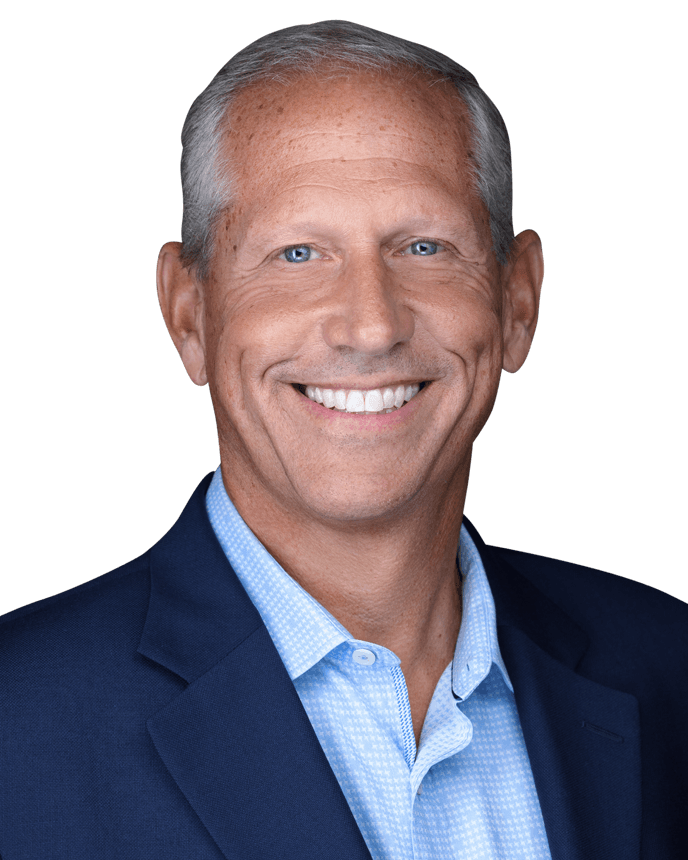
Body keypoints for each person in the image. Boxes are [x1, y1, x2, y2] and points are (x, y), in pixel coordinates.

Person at [0, 19, 685, 860]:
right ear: (189, 314)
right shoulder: (15, 722)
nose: (370, 325)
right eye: (297, 253)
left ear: (517, 302)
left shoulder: (668, 667)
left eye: (425, 247)